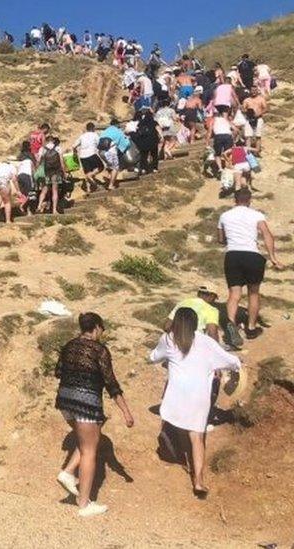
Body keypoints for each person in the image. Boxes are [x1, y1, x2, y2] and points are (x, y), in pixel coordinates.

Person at [149, 308, 241, 499]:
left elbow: (153, 357)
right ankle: (198, 480)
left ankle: (183, 457)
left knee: (176, 424)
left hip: (176, 394)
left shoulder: (168, 339)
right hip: (198, 396)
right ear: (195, 323)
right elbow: (229, 361)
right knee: (197, 438)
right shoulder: (205, 341)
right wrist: (239, 364)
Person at [54, 312, 134, 517]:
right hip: (86, 403)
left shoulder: (69, 345)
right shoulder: (100, 350)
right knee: (90, 450)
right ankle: (84, 504)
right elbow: (111, 383)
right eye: (102, 329)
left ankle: (67, 472)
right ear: (97, 327)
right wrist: (126, 411)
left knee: (90, 437)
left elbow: (58, 371)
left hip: (64, 401)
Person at [218, 188, 283, 340]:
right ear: (249, 200)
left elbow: (221, 240)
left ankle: (231, 326)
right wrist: (272, 257)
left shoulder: (225, 215)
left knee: (234, 294)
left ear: (235, 200)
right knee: (253, 293)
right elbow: (267, 234)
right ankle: (251, 328)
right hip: (253, 256)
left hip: (233, 255)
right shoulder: (257, 215)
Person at [36, 137, 66, 214]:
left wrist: (37, 170)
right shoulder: (58, 148)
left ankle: (39, 205)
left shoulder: (42, 149)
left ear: (46, 141)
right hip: (56, 171)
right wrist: (64, 172)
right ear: (53, 140)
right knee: (55, 190)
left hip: (47, 171)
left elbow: (38, 161)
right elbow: (61, 161)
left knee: (44, 189)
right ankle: (54, 209)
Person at [74, 123, 104, 187]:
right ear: (93, 128)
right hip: (91, 154)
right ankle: (90, 176)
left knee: (87, 172)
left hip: (82, 156)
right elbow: (100, 144)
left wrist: (75, 152)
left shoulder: (82, 136)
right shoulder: (95, 135)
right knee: (101, 167)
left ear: (86, 128)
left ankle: (89, 189)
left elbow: (73, 146)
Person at [136, 110, 161, 174]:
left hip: (143, 141)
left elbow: (138, 131)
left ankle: (144, 169)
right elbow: (159, 130)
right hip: (153, 141)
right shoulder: (154, 122)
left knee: (144, 156)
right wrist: (161, 137)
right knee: (154, 155)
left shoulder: (141, 123)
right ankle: (155, 168)